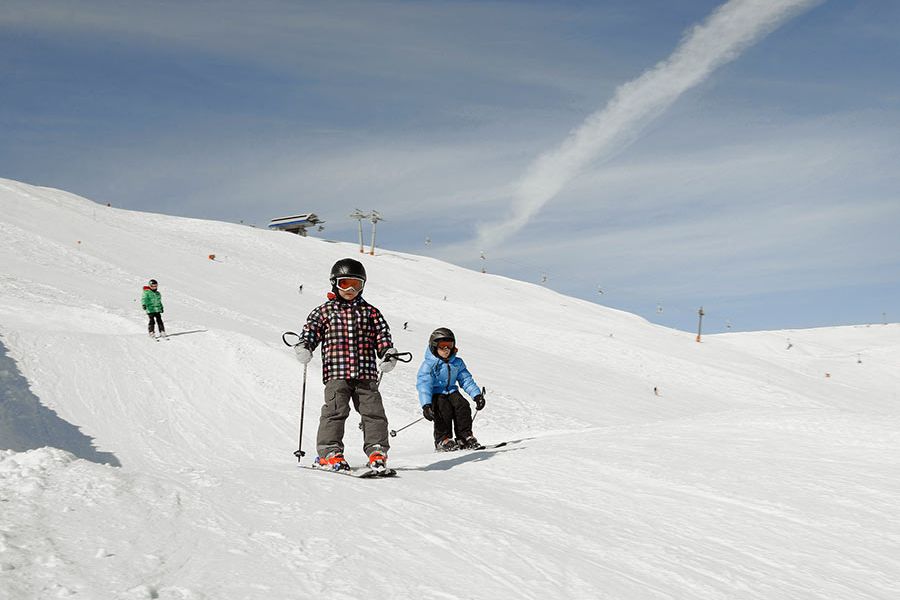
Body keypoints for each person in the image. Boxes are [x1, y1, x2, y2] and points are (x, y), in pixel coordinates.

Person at [294, 258, 398, 472]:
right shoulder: (324, 311)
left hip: (366, 374)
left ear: (362, 286)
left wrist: (388, 353)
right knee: (335, 411)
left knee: (374, 413)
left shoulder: (371, 312)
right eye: (344, 284)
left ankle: (377, 450)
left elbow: (382, 336)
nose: (350, 289)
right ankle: (329, 452)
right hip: (336, 373)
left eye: (356, 284)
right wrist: (304, 346)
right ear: (335, 283)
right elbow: (311, 331)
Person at [416, 327, 485, 451]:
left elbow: (466, 380)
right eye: (443, 346)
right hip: (437, 394)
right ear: (434, 346)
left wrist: (477, 395)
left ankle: (464, 437)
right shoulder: (429, 365)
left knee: (462, 405)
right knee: (443, 409)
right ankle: (443, 439)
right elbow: (424, 384)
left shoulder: (456, 363)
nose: (447, 349)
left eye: (450, 345)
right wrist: (426, 405)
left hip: (452, 391)